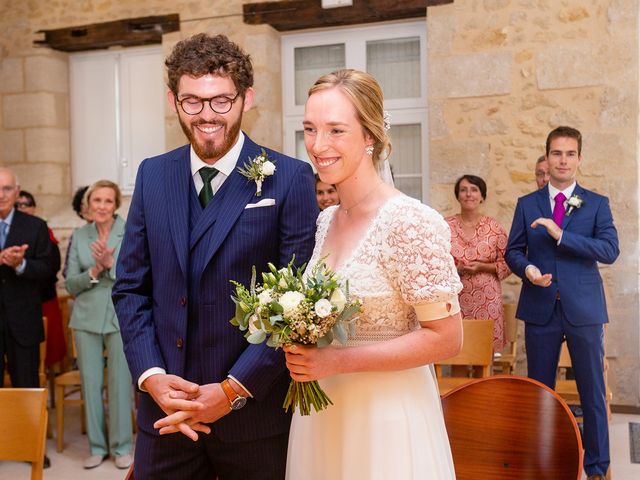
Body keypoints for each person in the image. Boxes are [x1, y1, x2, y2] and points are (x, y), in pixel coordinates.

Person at [112, 33, 317, 479]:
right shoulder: (152, 175)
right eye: (192, 101)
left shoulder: (290, 179)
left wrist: (232, 390)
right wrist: (151, 376)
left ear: (247, 98)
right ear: (173, 100)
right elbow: (131, 288)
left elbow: (297, 309)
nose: (207, 115)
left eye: (221, 101)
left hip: (252, 420)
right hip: (167, 418)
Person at [283, 69, 462, 479]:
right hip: (323, 415)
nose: (318, 145)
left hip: (386, 420)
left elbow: (447, 338)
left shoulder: (409, 221)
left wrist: (336, 361)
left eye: (336, 130)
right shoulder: (326, 220)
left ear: (370, 136)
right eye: (310, 129)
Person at [505, 126, 619, 480]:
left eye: (570, 154)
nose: (563, 160)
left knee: (593, 393)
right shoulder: (527, 204)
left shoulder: (597, 203)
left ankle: (597, 468)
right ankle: (546, 462)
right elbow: (512, 251)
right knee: (540, 391)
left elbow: (609, 250)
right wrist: (528, 270)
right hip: (540, 308)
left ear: (579, 158)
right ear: (547, 157)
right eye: (557, 153)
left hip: (584, 308)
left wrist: (562, 235)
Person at [65, 180, 133, 470]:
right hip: (85, 318)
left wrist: (111, 264)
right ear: (88, 205)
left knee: (120, 384)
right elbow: (70, 283)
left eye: (108, 201)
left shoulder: (130, 231)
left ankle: (121, 448)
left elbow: (140, 273)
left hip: (121, 316)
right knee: (91, 384)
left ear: (116, 204)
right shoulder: (79, 236)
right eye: (97, 201)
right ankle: (96, 446)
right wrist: (94, 269)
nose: (102, 206)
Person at [0, 168, 54, 468]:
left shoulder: (35, 226)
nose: (1, 196)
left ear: (17, 191)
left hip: (24, 320)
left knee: (27, 386)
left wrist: (21, 265)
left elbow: (48, 269)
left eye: (6, 189)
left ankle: (32, 447)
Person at [445, 175, 511, 352]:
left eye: (474, 190)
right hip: (455, 301)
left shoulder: (494, 228)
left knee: (485, 353)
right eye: (464, 190)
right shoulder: (445, 226)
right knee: (457, 352)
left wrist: (483, 267)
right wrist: (453, 268)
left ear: (482, 196)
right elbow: (436, 260)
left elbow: (509, 262)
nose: (468, 194)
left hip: (487, 300)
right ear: (457, 196)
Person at [16, 190, 66, 368]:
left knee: (47, 353)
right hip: (15, 302)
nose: (22, 208)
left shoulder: (42, 229)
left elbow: (52, 266)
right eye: (18, 204)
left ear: (34, 208)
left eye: (26, 204)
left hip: (43, 298)